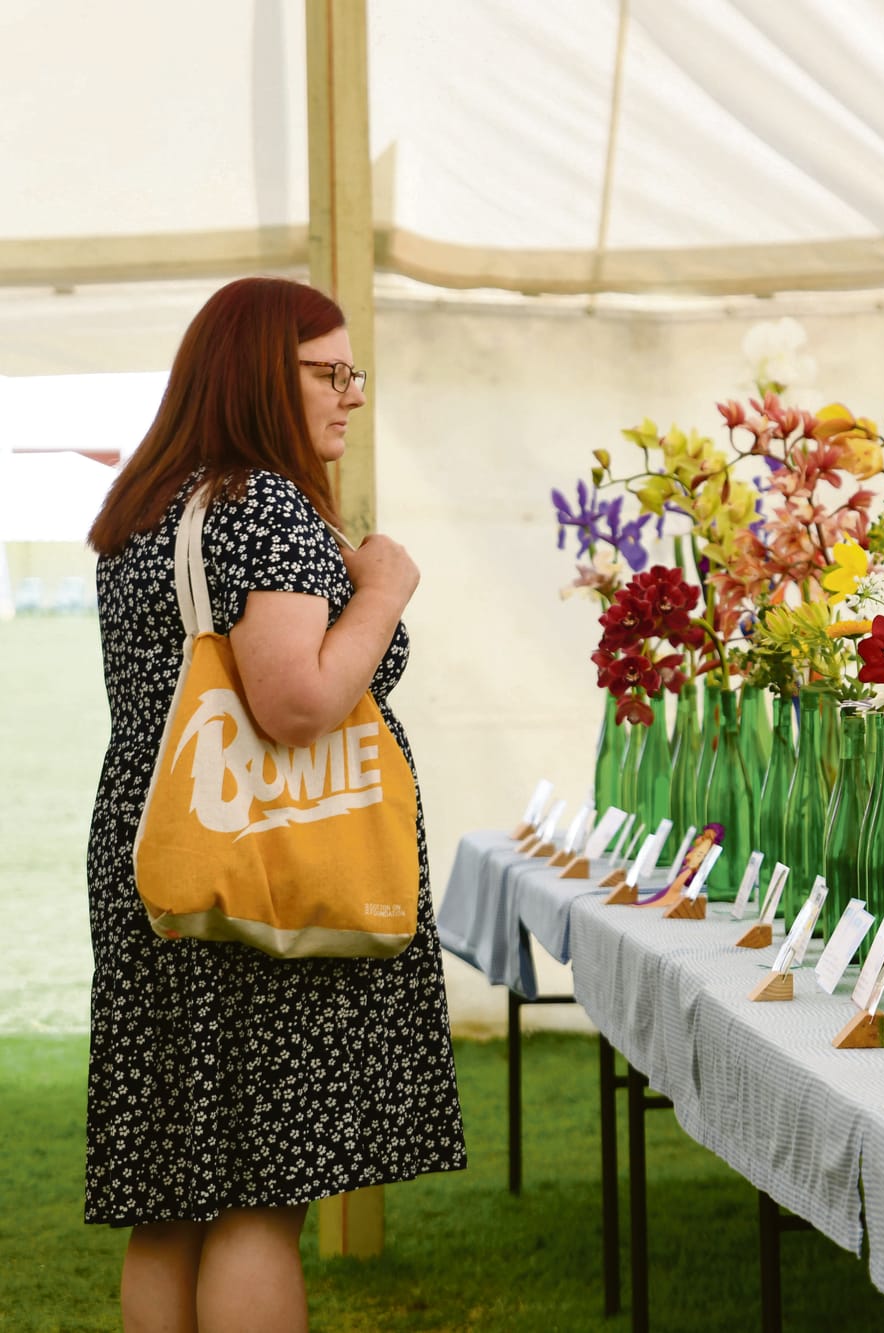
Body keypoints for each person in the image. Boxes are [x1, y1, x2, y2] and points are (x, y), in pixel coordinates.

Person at [85, 277, 466, 1332]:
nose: (351, 394)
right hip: (270, 871)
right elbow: (297, 702)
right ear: (262, 375)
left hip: (158, 853)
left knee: (169, 1194)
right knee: (260, 1192)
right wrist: (382, 588)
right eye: (328, 372)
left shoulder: (148, 507)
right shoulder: (264, 508)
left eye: (354, 372)